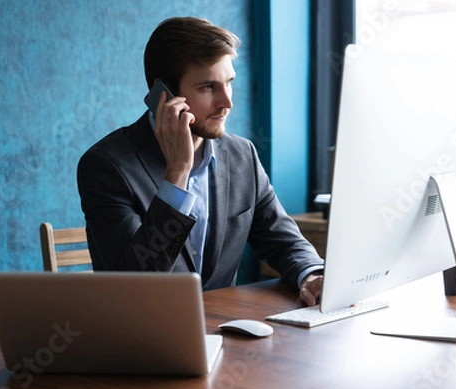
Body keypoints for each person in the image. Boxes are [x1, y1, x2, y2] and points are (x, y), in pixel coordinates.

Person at [77, 16, 324, 306]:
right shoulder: (106, 166)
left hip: (223, 332)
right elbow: (136, 285)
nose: (227, 102)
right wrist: (177, 174)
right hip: (142, 340)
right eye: (208, 87)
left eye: (228, 83)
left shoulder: (242, 156)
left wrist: (310, 275)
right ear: (162, 96)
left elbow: (283, 241)